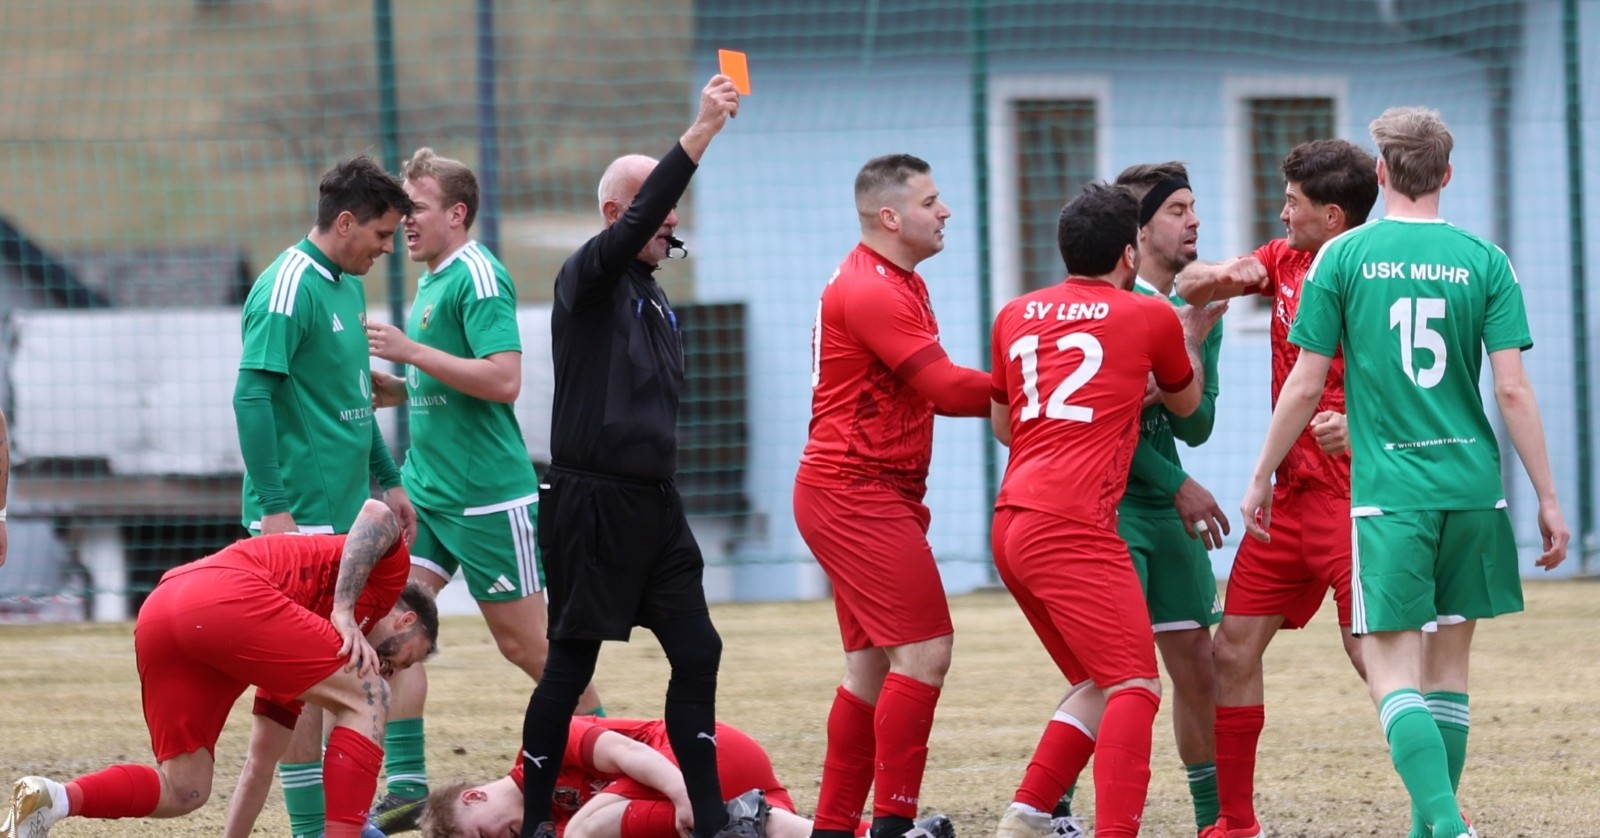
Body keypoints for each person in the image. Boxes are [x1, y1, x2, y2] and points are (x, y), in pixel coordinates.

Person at [1240, 106, 1568, 838]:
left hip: (1389, 495)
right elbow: (1512, 390)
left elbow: (1304, 381)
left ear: (1382, 172)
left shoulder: (1342, 258)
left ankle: (1448, 827)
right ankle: (1432, 826)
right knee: (1448, 672)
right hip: (1474, 492)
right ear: (1446, 175)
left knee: (1393, 675)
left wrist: (1260, 473)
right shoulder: (1486, 259)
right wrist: (1547, 498)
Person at [516, 74, 751, 838]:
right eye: (653, 207)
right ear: (617, 215)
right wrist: (701, 131)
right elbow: (650, 207)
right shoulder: (586, 277)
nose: (670, 218)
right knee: (571, 665)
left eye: (671, 208)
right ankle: (533, 820)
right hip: (590, 504)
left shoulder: (655, 295)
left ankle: (710, 819)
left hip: (657, 505)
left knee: (699, 647)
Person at [358, 147, 603, 834]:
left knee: (530, 650)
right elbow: (455, 381)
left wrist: (408, 353)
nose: (405, 221)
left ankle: (610, 761)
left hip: (488, 500)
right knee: (394, 627)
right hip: (433, 495)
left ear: (458, 213)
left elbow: (502, 381)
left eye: (419, 209)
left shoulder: (479, 275)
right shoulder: (435, 279)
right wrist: (404, 389)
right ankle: (407, 786)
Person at [0, 499, 440, 838]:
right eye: (401, 660)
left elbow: (259, 764)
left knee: (185, 789)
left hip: (164, 609)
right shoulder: (382, 581)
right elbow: (378, 512)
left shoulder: (306, 650)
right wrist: (344, 609)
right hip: (222, 596)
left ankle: (54, 799)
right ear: (405, 621)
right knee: (369, 695)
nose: (390, 671)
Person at [989, 182, 1215, 838]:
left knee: (1098, 678)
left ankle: (1030, 812)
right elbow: (1186, 407)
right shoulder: (1147, 317)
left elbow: (1005, 426)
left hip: (1013, 523)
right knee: (1136, 686)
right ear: (1128, 253)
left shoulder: (1014, 314)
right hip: (1074, 526)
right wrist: (1193, 335)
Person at [1174, 139, 1379, 838]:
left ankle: (1442, 813)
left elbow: (1420, 383)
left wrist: (1357, 424)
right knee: (1230, 649)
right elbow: (1209, 280)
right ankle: (1236, 823)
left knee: (1373, 655)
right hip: (1286, 499)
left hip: (1357, 499)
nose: (1280, 211)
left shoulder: (1378, 276)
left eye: (1291, 202)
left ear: (1331, 214)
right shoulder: (1282, 258)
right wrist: (1180, 275)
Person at [791, 153, 991, 838]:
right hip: (854, 492)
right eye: (932, 201)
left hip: (864, 491)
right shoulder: (873, 288)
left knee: (870, 670)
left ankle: (832, 827)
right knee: (927, 650)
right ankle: (892, 825)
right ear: (890, 216)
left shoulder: (895, 279)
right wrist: (1038, 382)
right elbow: (947, 389)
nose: (945, 212)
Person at [232, 154, 420, 838]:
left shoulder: (344, 284)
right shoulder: (286, 287)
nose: (387, 247)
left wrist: (390, 481)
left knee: (369, 658)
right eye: (380, 234)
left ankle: (351, 815)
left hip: (347, 514)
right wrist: (278, 508)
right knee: (309, 682)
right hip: (299, 518)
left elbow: (352, 401)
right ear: (345, 222)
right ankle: (317, 828)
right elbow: (252, 395)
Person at [417, 716, 954, 838]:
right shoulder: (547, 822)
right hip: (741, 790)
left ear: (475, 795)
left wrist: (682, 791)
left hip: (704, 755)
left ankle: (744, 821)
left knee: (586, 832)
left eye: (483, 833)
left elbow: (627, 751)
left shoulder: (537, 751)